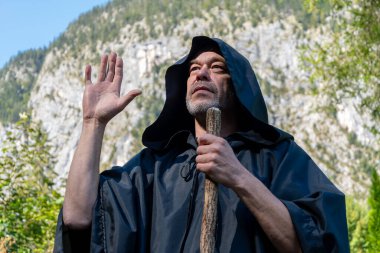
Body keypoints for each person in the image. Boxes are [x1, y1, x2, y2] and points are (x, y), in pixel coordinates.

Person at [54, 36, 349, 252]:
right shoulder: (153, 169)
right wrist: (93, 123)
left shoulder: (278, 157)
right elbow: (80, 219)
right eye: (193, 68)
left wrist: (239, 177)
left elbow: (313, 245)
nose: (201, 73)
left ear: (238, 89)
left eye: (216, 67)